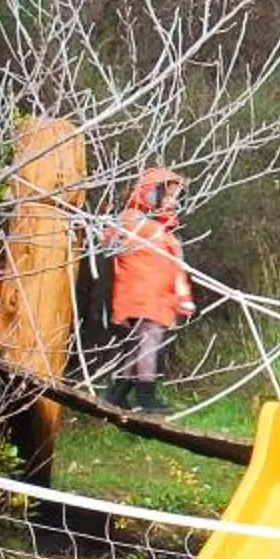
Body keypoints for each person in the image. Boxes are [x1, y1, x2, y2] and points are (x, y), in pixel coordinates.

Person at [107, 167, 195, 413]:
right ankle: (146, 396)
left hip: (154, 300)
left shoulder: (163, 233)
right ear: (152, 194)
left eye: (176, 197)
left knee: (139, 344)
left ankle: (118, 393)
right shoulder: (134, 221)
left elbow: (175, 271)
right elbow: (110, 239)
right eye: (168, 196)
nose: (173, 203)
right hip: (141, 298)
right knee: (148, 342)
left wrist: (182, 300)